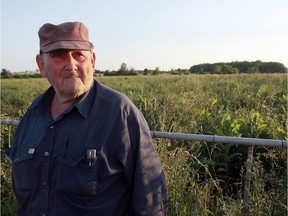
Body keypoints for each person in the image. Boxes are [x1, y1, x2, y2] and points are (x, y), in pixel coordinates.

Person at [6, 21, 168, 216]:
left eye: (78, 55)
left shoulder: (119, 113)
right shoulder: (33, 114)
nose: (71, 65)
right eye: (58, 55)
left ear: (92, 61)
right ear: (42, 65)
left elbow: (151, 201)